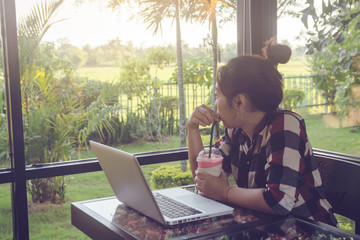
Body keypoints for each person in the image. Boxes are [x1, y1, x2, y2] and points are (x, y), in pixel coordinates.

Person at [186, 39, 338, 227]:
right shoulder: (236, 132)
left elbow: (280, 200)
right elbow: (204, 179)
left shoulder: (284, 125)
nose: (215, 103)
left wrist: (225, 192)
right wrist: (192, 128)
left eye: (217, 95)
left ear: (239, 102)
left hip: (309, 230)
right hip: (269, 228)